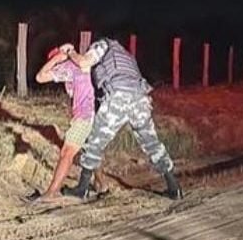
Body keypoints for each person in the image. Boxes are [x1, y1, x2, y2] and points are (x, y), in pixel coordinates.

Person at [57, 38, 183, 201]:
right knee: (152, 143)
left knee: (94, 142)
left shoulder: (102, 45)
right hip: (140, 98)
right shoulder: (127, 55)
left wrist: (70, 51)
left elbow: (83, 63)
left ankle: (82, 188)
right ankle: (174, 187)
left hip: (118, 96)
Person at [25, 45, 102, 204]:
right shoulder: (77, 65)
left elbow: (40, 77)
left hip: (84, 116)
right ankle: (102, 184)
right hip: (90, 113)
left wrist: (55, 59)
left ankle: (51, 192)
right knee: (89, 150)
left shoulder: (68, 67)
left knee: (67, 152)